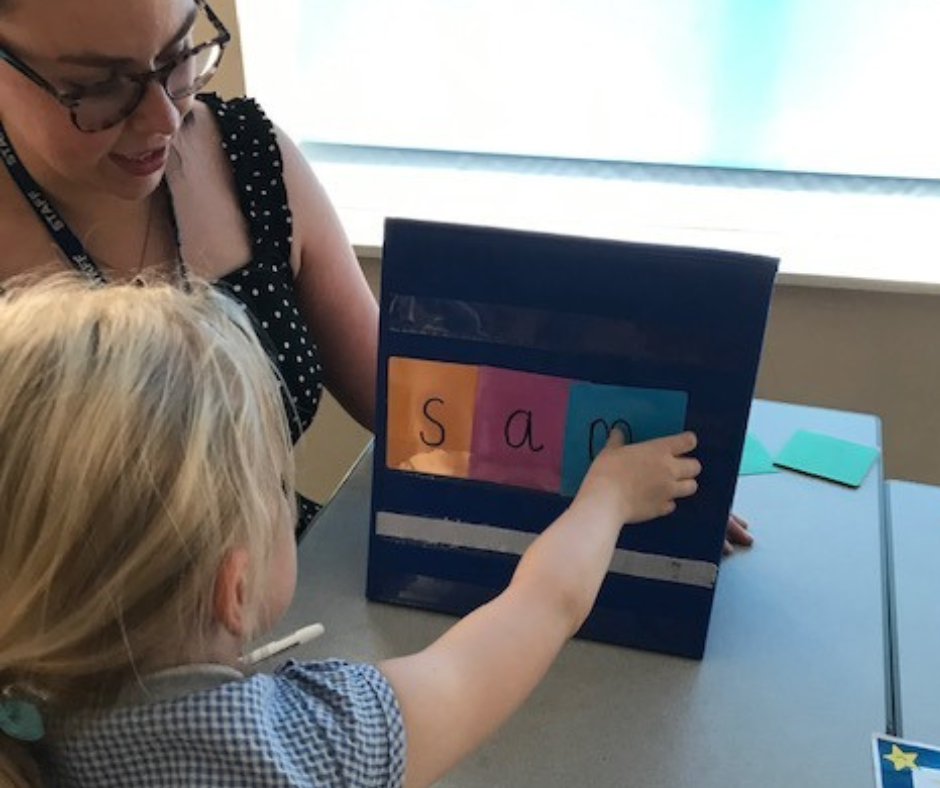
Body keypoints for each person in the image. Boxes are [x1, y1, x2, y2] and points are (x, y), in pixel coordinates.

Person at [0, 0, 751, 550]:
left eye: (178, 57)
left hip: (269, 600)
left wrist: (603, 484)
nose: (163, 118)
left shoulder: (250, 158)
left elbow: (413, 407)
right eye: (98, 87)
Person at [0, 275, 702, 787]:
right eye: (280, 486)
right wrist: (607, 497)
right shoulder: (311, 744)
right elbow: (539, 609)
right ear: (234, 589)